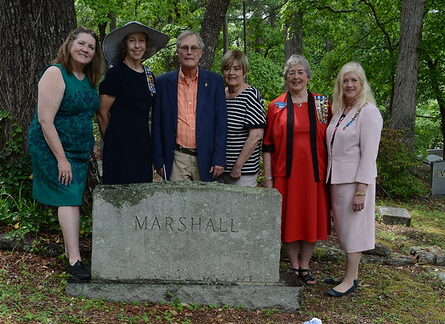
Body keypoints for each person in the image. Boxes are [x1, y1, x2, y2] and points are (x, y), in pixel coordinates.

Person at [27, 27, 102, 280]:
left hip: (79, 151)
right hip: (51, 147)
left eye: (91, 47)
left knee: (74, 198)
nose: (86, 49)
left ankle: (74, 255)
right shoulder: (55, 73)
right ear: (69, 45)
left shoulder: (89, 78)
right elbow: (45, 121)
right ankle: (74, 261)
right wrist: (61, 160)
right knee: (69, 198)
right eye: (81, 44)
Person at [263, 54, 331, 285]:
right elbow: (268, 145)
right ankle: (293, 265)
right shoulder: (276, 106)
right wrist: (269, 178)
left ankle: (306, 265)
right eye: (291, 72)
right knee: (288, 221)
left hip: (314, 175)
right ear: (285, 77)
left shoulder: (323, 104)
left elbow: (334, 139)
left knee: (310, 220)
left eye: (300, 72)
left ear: (308, 76)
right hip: (285, 175)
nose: (296, 77)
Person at [325, 62, 383, 297]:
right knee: (345, 231)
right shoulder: (341, 111)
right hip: (337, 179)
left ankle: (349, 280)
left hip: (355, 182)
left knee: (355, 231)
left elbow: (369, 155)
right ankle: (351, 275)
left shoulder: (368, 112)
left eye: (353, 81)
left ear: (362, 84)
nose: (349, 85)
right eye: (345, 81)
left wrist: (362, 190)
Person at [97, 21, 169, 184]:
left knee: (141, 192)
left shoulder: (149, 75)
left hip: (142, 144)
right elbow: (102, 112)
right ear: (125, 45)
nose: (137, 46)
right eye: (132, 40)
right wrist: (112, 142)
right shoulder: (115, 73)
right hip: (118, 144)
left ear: (146, 45)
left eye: (141, 40)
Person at [152, 30, 227, 182]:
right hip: (175, 158)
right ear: (177, 52)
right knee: (176, 204)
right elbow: (156, 124)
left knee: (204, 203)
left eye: (194, 48)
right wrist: (158, 161)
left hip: (206, 157)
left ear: (200, 53)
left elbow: (221, 123)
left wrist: (219, 158)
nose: (189, 52)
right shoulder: (162, 83)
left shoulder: (214, 82)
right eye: (184, 48)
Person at [220, 50, 265, 186]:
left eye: (236, 69)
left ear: (244, 72)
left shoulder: (250, 95)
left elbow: (256, 136)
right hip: (220, 170)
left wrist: (237, 166)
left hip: (243, 172)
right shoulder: (220, 95)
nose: (231, 73)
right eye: (227, 69)